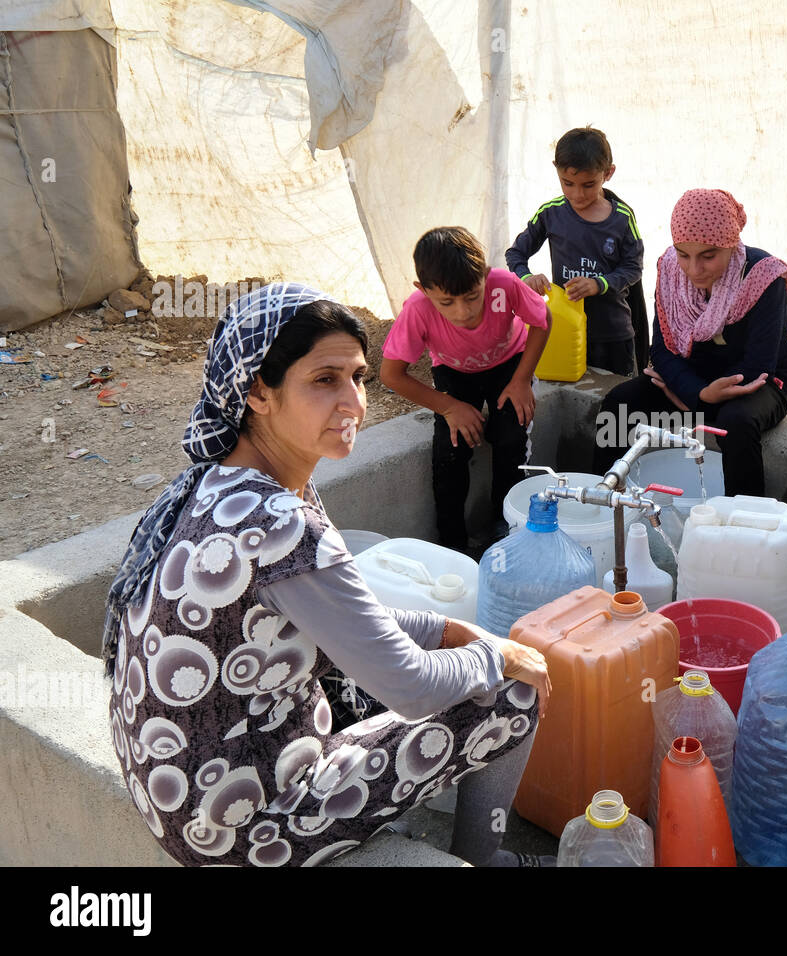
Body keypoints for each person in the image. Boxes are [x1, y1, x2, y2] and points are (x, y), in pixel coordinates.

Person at [102, 283, 552, 867]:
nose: (354, 403)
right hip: (241, 828)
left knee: (389, 664)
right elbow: (410, 687)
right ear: (258, 391)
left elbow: (352, 622)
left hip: (182, 791)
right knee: (512, 694)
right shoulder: (281, 523)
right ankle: (484, 858)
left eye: (359, 377)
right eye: (324, 380)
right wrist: (502, 658)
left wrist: (450, 630)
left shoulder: (219, 483)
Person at [593, 188, 787, 497]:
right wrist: (699, 394)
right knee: (618, 407)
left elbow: (759, 365)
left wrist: (694, 396)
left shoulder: (763, 277)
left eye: (708, 256)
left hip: (759, 382)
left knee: (736, 423)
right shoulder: (670, 271)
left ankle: (744, 519)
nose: (693, 269)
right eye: (684, 254)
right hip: (695, 380)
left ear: (731, 245)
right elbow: (662, 349)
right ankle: (603, 500)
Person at [381, 227, 550, 552]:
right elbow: (391, 374)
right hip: (453, 372)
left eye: (473, 295)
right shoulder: (417, 309)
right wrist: (448, 406)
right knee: (451, 449)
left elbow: (543, 321)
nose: (464, 311)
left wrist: (522, 380)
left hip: (508, 363)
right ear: (423, 290)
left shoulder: (504, 283)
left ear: (485, 276)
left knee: (511, 436)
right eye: (447, 301)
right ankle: (452, 544)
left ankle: (505, 531)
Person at [506, 126, 647, 376]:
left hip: (612, 333)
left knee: (614, 404)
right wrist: (527, 277)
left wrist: (599, 284)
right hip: (563, 328)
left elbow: (633, 267)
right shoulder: (550, 213)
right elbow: (515, 254)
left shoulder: (623, 217)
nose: (577, 194)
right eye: (567, 183)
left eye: (588, 184)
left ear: (608, 173)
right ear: (556, 170)